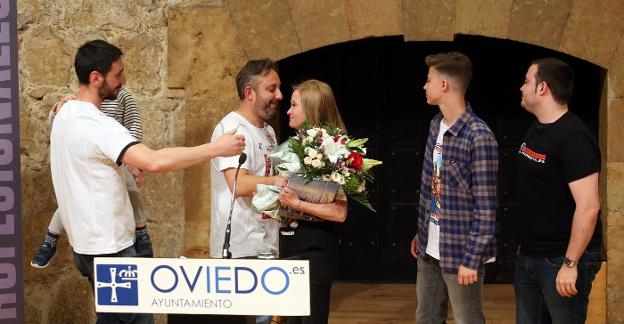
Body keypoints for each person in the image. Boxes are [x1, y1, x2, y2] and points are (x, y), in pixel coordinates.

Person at [51, 39, 245, 323]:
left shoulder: (64, 113)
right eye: (118, 74)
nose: (124, 80)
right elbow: (153, 161)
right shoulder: (97, 124)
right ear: (96, 78)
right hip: (111, 250)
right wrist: (216, 149)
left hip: (85, 247)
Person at [409, 52, 498, 324]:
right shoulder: (436, 125)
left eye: (429, 80)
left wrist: (472, 259)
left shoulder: (478, 136)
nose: (425, 86)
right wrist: (421, 231)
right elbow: (431, 186)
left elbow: (486, 209)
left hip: (460, 251)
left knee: (467, 319)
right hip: (429, 249)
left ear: (444, 85)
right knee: (426, 318)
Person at [514, 57, 602, 324]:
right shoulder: (538, 128)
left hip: (559, 261)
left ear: (543, 88)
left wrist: (570, 264)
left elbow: (589, 207)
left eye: (527, 81)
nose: (521, 87)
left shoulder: (574, 137)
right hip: (530, 255)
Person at [31, 88, 154, 269]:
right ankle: (50, 238)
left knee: (131, 189)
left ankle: (142, 232)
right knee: (70, 200)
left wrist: (131, 153)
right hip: (90, 160)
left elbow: (134, 124)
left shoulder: (122, 97)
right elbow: (54, 121)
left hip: (117, 154)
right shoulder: (77, 103)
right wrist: (59, 105)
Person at [209, 59, 287, 324]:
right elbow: (238, 184)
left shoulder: (268, 132)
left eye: (279, 88)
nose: (279, 95)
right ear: (249, 93)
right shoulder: (232, 129)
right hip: (240, 247)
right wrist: (278, 182)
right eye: (271, 89)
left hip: (266, 242)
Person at [277, 79, 348, 324]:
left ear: (311, 109)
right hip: (289, 248)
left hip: (315, 253)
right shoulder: (292, 148)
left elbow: (339, 213)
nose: (288, 110)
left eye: (294, 105)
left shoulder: (333, 153)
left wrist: (296, 203)